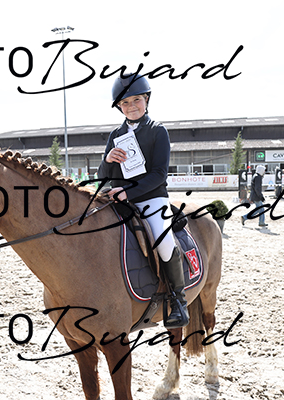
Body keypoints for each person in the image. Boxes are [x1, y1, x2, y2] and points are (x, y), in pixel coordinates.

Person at [97, 73, 189, 329]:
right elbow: (103, 177)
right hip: (119, 200)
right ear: (119, 106)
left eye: (136, 100)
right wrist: (107, 161)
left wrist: (129, 192)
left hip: (151, 199)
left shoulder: (158, 131)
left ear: (146, 99)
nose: (131, 106)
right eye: (125, 103)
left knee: (163, 241)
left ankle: (178, 300)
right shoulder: (115, 134)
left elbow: (159, 174)